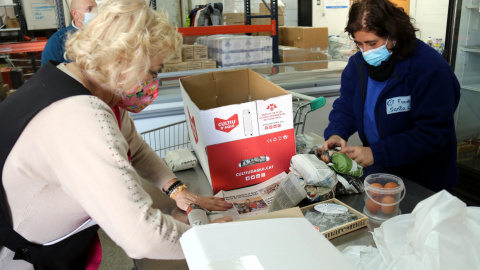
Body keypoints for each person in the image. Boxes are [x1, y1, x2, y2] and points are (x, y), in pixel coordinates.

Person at [0, 0, 232, 269]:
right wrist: (209, 239)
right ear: (123, 60)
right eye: (153, 71)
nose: (153, 83)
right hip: (20, 258)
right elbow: (140, 235)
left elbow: (137, 148)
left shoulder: (81, 84)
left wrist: (175, 188)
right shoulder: (79, 115)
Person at [323, 0, 460, 192]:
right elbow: (347, 106)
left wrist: (376, 153)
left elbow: (432, 133)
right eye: (359, 44)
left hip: (424, 178)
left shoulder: (429, 69)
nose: (366, 52)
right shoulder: (357, 65)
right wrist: (337, 132)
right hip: (382, 169)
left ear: (393, 35)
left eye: (372, 43)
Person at [40, 0, 98, 66]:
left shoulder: (103, 34)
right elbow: (48, 73)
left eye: (96, 9)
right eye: (89, 9)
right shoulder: (58, 40)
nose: (95, 13)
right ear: (75, 13)